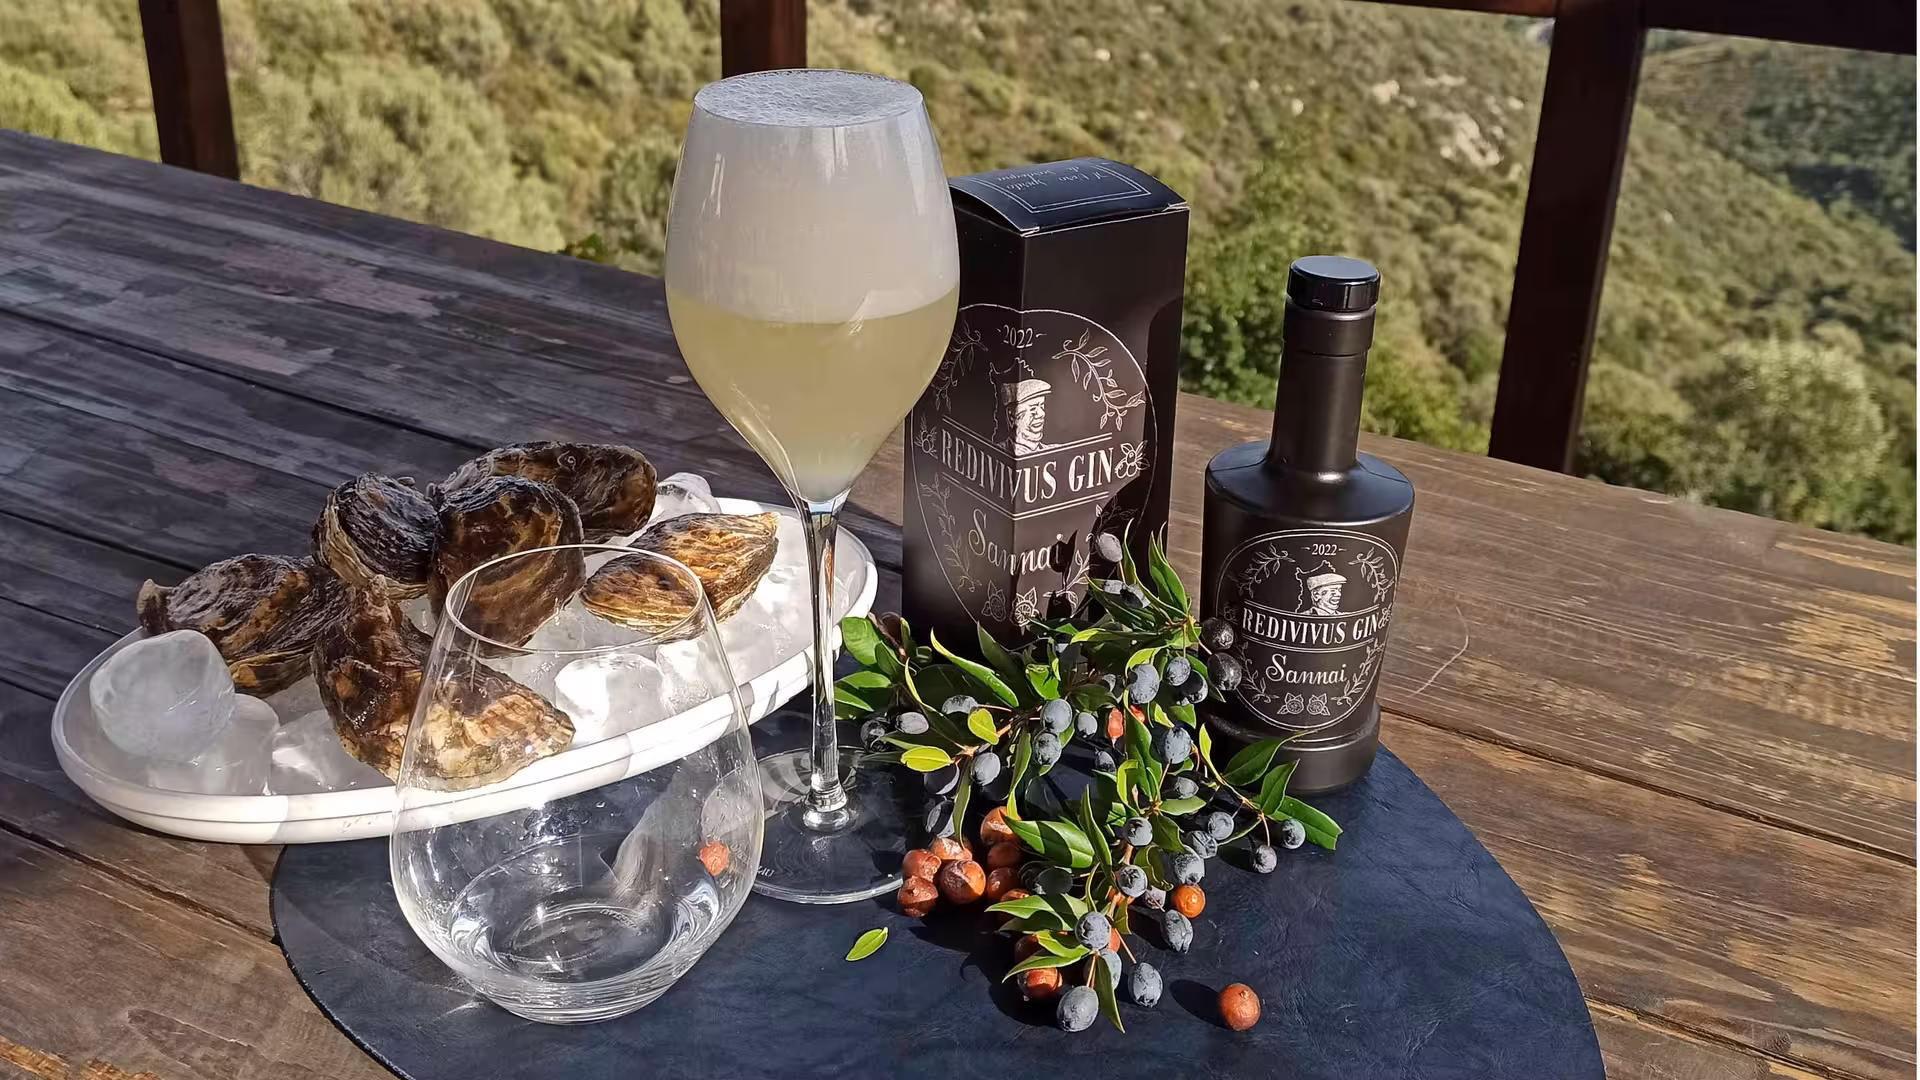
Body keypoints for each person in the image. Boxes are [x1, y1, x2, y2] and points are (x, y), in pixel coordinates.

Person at [1002, 378, 1052, 454]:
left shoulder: (1056, 453)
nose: (1042, 414)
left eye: (1042, 406)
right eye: (1033, 408)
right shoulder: (993, 455)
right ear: (1011, 417)